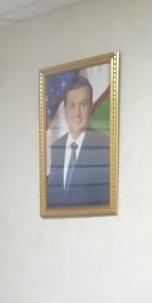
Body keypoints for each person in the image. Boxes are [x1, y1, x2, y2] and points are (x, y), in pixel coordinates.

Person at [46, 75, 112, 208]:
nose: (77, 113)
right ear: (65, 110)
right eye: (72, 105)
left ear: (91, 106)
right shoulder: (56, 148)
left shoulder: (105, 147)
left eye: (83, 104)